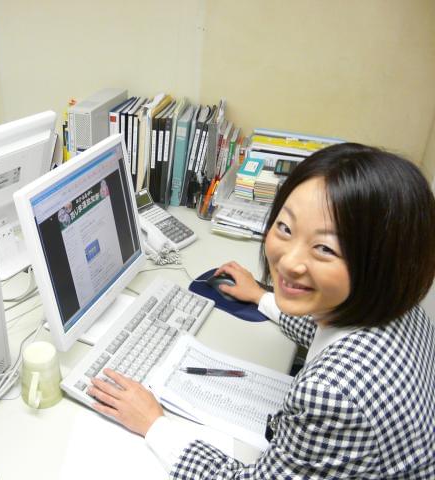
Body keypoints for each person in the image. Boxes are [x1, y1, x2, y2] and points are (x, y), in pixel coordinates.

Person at [89, 143, 435, 478]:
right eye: (285, 228)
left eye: (325, 248)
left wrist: (154, 424)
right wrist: (261, 297)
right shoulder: (397, 306)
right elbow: (324, 327)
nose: (289, 261)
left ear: (382, 262)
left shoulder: (333, 395)